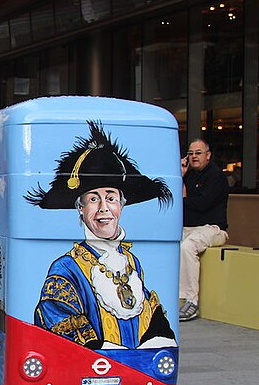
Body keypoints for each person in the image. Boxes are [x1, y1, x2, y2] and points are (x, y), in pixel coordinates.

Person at [26, 122, 176, 350]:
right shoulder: (66, 268)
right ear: (81, 209)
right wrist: (102, 351)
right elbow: (57, 318)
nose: (104, 208)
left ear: (121, 206)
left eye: (111, 198)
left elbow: (150, 315)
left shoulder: (132, 263)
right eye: (94, 199)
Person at [178, 138, 229, 322]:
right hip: (189, 228)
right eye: (190, 153)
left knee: (187, 246)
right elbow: (174, 200)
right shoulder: (188, 175)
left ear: (208, 155)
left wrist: (183, 201)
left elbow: (202, 204)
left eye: (198, 153)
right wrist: (181, 175)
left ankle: (191, 301)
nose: (193, 157)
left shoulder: (216, 176)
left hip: (213, 229)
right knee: (167, 244)